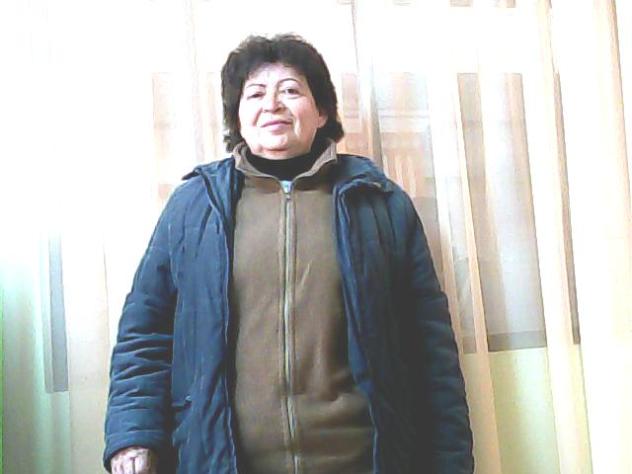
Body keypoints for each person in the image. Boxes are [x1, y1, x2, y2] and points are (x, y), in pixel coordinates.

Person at [104, 34, 473, 474]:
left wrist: (450, 461)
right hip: (223, 462)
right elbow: (146, 330)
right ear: (238, 117)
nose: (273, 105)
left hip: (362, 460)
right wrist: (134, 434)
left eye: (291, 90)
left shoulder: (379, 203)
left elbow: (431, 345)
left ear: (321, 112)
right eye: (256, 94)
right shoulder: (194, 205)